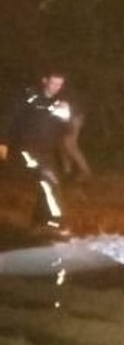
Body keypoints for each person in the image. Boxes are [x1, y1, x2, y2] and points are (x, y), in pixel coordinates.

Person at [0, 69, 74, 235]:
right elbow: (9, 118)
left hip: (47, 150)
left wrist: (65, 116)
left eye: (60, 84)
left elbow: (67, 130)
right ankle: (58, 222)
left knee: (47, 184)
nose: (56, 87)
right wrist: (3, 141)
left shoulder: (59, 103)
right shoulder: (29, 97)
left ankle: (38, 221)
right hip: (27, 149)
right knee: (50, 182)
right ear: (44, 80)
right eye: (54, 83)